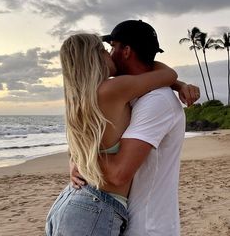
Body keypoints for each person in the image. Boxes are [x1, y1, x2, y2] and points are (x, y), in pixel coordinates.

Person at [45, 32, 184, 236]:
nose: (111, 54)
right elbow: (169, 74)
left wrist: (79, 161)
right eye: (106, 50)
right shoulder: (113, 89)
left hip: (71, 200)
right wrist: (177, 84)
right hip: (96, 206)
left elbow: (78, 149)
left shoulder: (78, 99)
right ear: (96, 56)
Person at [71, 20, 200, 236]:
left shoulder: (157, 101)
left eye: (112, 47)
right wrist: (74, 159)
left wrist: (82, 161)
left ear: (126, 51)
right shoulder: (129, 95)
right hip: (127, 220)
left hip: (147, 227)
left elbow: (119, 173)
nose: (109, 54)